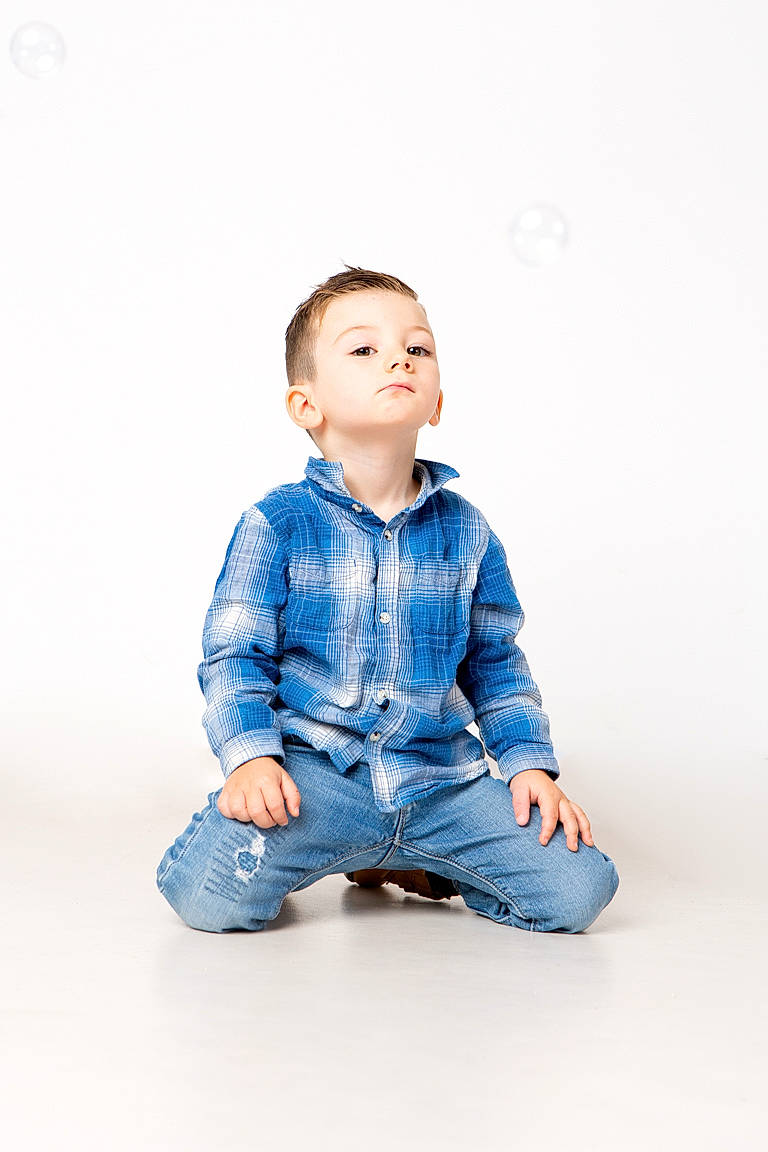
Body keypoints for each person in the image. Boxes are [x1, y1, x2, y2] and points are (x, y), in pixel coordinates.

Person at [155, 264, 620, 933]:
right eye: (364, 349)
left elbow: (496, 664)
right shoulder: (279, 523)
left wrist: (528, 767)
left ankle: (417, 857)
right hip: (320, 777)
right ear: (305, 405)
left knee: (580, 890)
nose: (399, 357)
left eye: (418, 348)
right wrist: (252, 757)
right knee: (209, 897)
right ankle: (343, 845)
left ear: (436, 402)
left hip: (441, 785)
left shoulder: (467, 531)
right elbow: (236, 655)